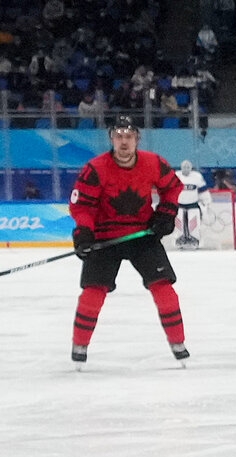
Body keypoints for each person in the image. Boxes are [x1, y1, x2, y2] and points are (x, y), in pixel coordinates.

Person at [69, 115, 187, 365]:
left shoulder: (154, 163)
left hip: (142, 235)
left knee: (164, 287)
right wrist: (84, 233)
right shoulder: (95, 169)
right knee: (93, 291)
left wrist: (166, 212)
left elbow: (173, 188)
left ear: (137, 139)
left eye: (129, 136)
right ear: (111, 138)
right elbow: (82, 207)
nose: (124, 142)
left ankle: (178, 343)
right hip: (104, 237)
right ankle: (79, 345)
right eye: (119, 136)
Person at [175, 156, 207, 246]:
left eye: (188, 167)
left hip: (193, 204)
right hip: (179, 204)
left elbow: (203, 190)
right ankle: (180, 238)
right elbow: (171, 190)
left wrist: (206, 200)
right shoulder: (176, 176)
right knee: (179, 220)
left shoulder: (196, 176)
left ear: (191, 168)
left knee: (193, 221)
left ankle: (194, 238)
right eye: (184, 167)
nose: (186, 169)